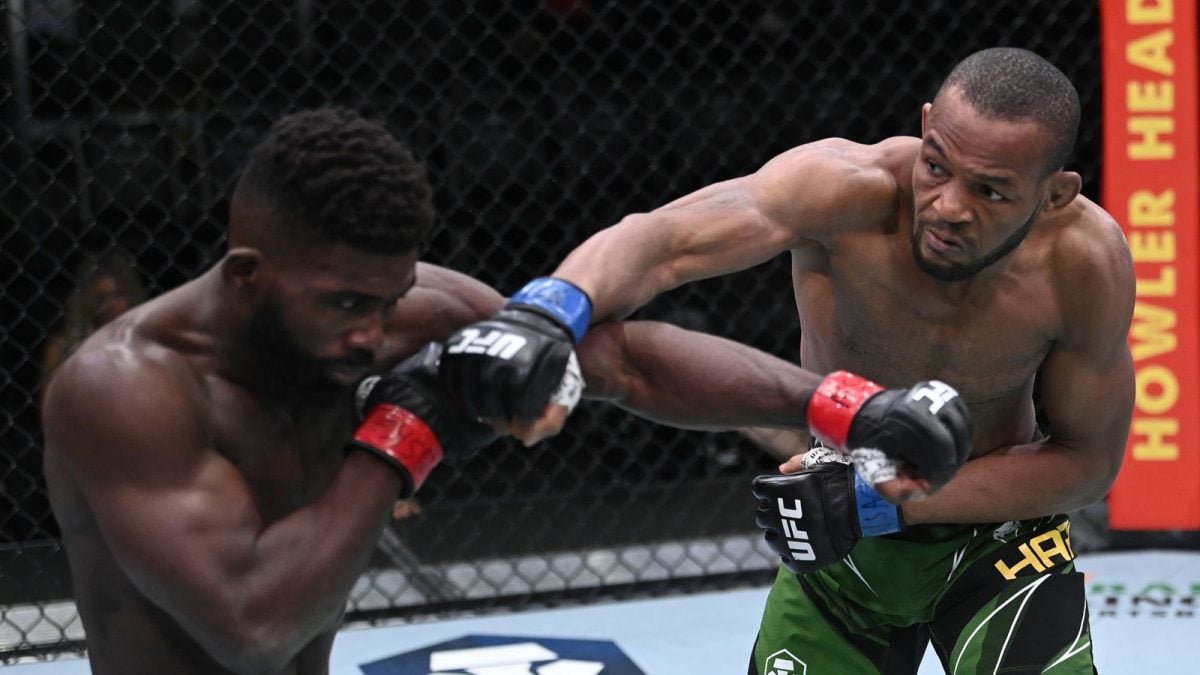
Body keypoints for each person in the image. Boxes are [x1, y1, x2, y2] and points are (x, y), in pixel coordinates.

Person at [39, 107, 964, 674]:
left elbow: (621, 361)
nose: (373, 332)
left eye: (390, 296)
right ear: (246, 275)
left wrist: (844, 405)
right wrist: (407, 429)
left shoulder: (408, 310)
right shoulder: (125, 391)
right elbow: (252, 625)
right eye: (346, 305)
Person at [438, 47, 1135, 673]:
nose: (945, 206)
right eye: (935, 166)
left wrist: (881, 502)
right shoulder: (844, 188)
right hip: (839, 539)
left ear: (1054, 195)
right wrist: (546, 310)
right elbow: (664, 240)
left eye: (988, 190)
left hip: (998, 538)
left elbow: (1087, 463)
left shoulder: (1083, 265)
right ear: (925, 127)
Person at [40, 247, 147, 397]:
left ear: (131, 296)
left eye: (118, 295)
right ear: (88, 301)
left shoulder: (147, 340)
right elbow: (50, 402)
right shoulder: (63, 346)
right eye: (101, 299)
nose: (111, 306)